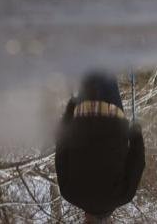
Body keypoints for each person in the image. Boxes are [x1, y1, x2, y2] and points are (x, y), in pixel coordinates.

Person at [56, 72, 145, 222]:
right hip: (83, 116)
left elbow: (137, 162)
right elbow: (61, 150)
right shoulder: (69, 193)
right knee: (90, 72)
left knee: (105, 69)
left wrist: (135, 134)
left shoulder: (123, 196)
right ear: (86, 221)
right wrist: (68, 115)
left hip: (111, 118)